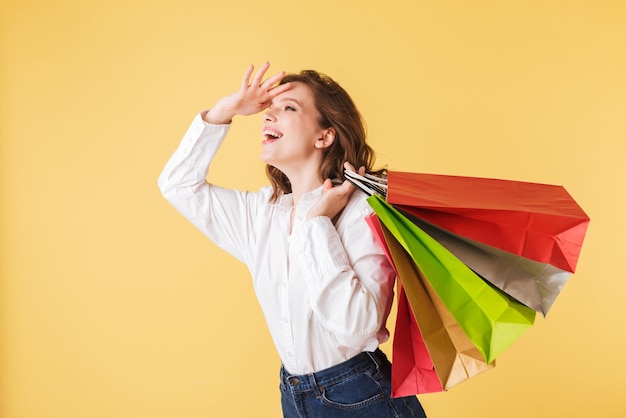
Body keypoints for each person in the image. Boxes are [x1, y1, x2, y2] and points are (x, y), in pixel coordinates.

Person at [158, 62, 427, 418]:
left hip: (361, 397)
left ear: (324, 136)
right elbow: (177, 186)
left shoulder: (363, 212)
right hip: (294, 396)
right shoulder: (262, 215)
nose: (269, 117)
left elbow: (357, 326)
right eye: (268, 111)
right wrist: (225, 110)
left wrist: (317, 224)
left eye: (288, 108)